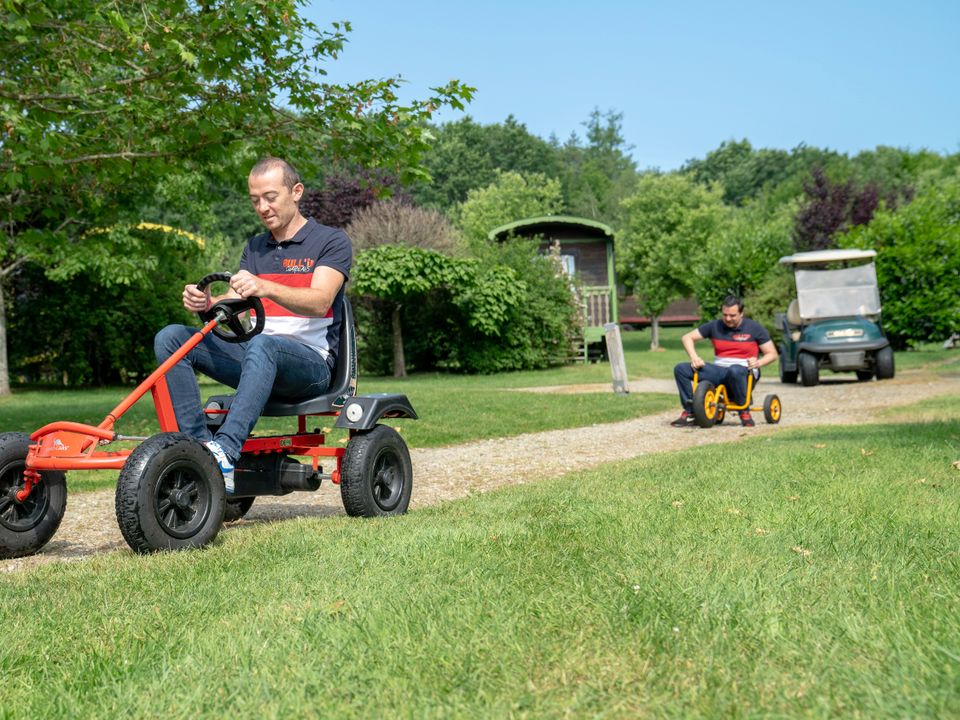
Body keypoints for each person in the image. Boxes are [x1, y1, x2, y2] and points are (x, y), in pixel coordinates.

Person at [154, 157, 352, 492]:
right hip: (259, 357)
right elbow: (236, 304)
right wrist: (207, 303)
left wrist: (266, 286)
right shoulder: (256, 248)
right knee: (171, 338)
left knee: (264, 343)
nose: (262, 207)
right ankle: (198, 450)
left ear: (296, 192)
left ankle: (226, 452)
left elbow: (320, 301)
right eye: (255, 200)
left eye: (271, 197)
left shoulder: (330, 241)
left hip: (311, 367)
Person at [671, 295, 778, 427]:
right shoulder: (715, 326)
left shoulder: (754, 328)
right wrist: (694, 357)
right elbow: (687, 337)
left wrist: (758, 363)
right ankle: (690, 411)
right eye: (725, 315)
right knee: (681, 369)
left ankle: (744, 410)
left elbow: (772, 354)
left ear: (741, 313)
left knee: (735, 369)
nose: (728, 319)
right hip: (719, 371)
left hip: (744, 371)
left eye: (732, 315)